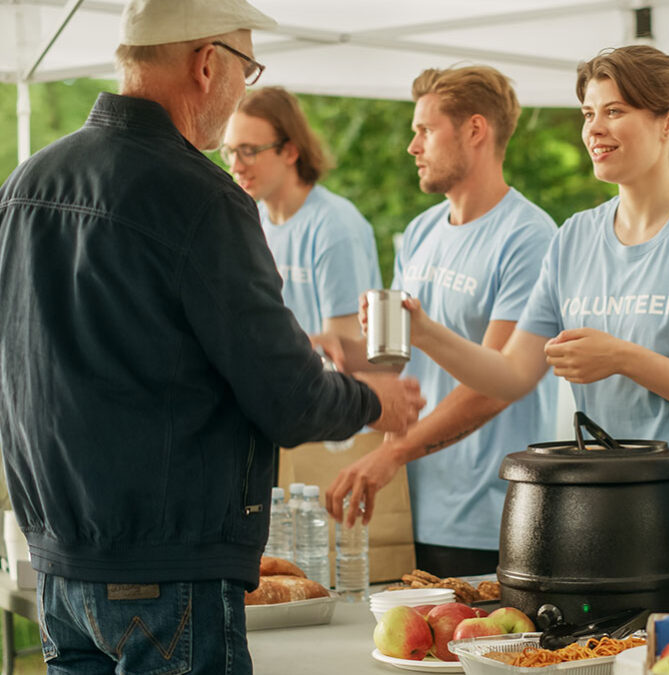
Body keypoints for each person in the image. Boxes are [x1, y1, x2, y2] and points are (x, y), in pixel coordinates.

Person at [0, 0, 424, 672]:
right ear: (206, 65)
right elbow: (286, 397)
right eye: (245, 69)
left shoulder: (24, 186)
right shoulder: (204, 198)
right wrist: (374, 400)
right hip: (167, 570)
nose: (240, 91)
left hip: (58, 566)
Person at [392, 45, 669, 569]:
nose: (594, 129)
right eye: (588, 113)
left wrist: (627, 359)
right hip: (615, 525)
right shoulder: (574, 237)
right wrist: (422, 331)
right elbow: (510, 376)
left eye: (615, 111)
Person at [324, 66, 558, 577]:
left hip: (491, 515)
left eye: (425, 130)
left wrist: (393, 455)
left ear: (475, 131)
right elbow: (402, 361)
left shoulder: (529, 237)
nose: (412, 146)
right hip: (411, 505)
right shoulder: (422, 229)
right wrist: (332, 352)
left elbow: (496, 384)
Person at [223, 87, 381, 341]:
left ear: (290, 151)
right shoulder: (254, 222)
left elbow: (344, 348)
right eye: (230, 151)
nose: (235, 166)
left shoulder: (335, 228)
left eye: (249, 151)